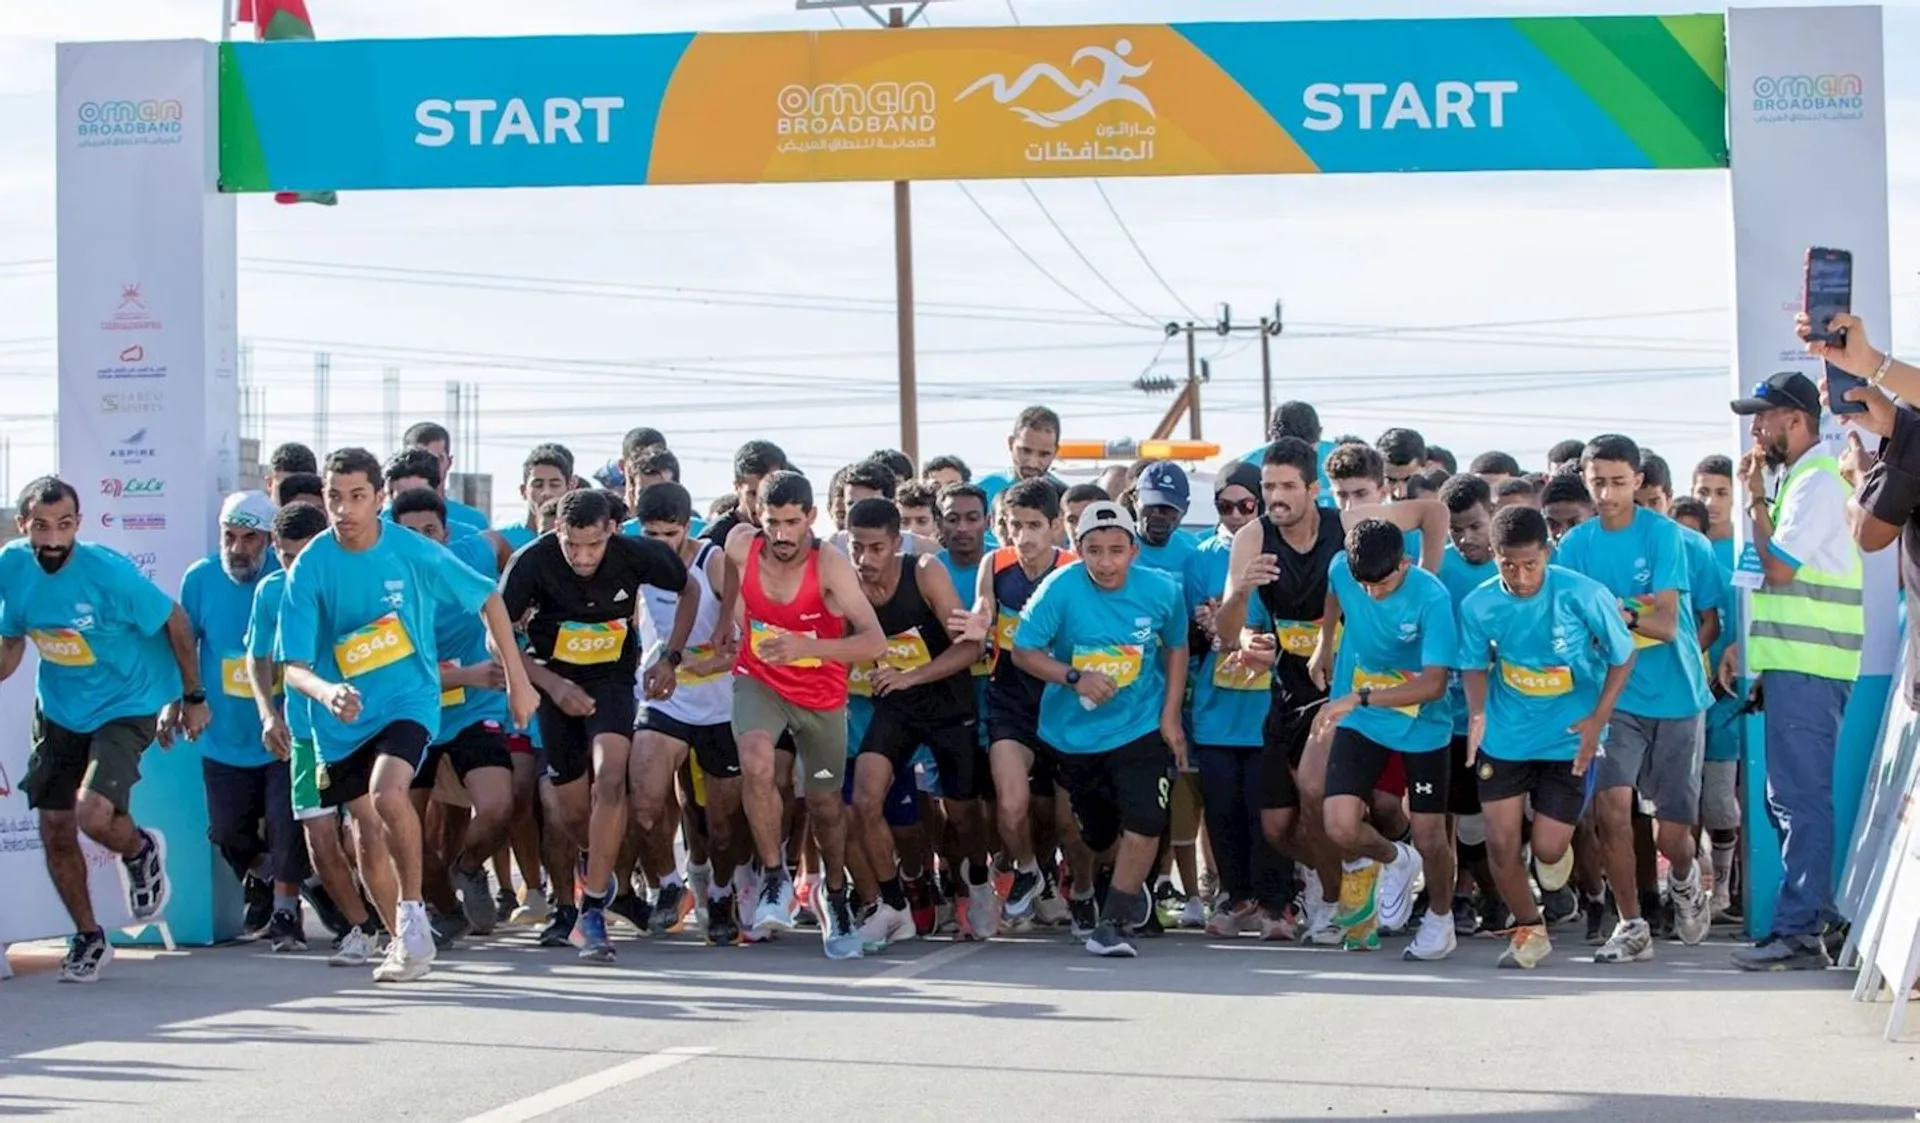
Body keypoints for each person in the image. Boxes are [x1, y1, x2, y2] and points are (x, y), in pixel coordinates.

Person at [278, 448, 537, 983]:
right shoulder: (311, 566)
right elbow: (294, 668)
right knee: (367, 833)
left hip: (409, 699)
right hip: (341, 717)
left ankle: (414, 915)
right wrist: (326, 693)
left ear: (378, 498)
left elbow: (488, 596)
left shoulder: (411, 551)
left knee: (388, 792)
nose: (345, 510)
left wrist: (517, 681)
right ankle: (402, 942)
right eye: (335, 498)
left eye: (357, 497)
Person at [0, 476, 205, 982]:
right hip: (60, 709)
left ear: (78, 525)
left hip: (126, 701)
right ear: (22, 524)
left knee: (92, 813)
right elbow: (12, 642)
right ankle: (88, 935)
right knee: (54, 827)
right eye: (41, 528)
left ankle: (138, 849)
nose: (52, 540)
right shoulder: (10, 566)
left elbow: (175, 620)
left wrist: (193, 696)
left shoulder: (107, 574)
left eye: (64, 526)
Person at [500, 486, 696, 962]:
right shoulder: (532, 562)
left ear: (611, 530)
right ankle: (604, 871)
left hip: (611, 683)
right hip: (554, 683)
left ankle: (591, 909)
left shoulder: (637, 553)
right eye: (572, 545)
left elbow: (689, 588)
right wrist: (547, 683)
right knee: (570, 809)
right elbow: (498, 635)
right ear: (556, 532)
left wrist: (671, 656)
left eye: (594, 545)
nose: (583, 557)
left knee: (611, 778)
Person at [1557, 434, 1714, 962]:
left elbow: (1667, 625)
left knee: (1673, 838)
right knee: (1611, 810)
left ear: (1639, 482)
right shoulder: (1576, 545)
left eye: (1618, 482)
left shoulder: (1664, 536)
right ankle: (1631, 924)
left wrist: (1616, 616)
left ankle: (1687, 881)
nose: (1606, 492)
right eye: (1597, 481)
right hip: (1614, 699)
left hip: (1676, 696)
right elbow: (1574, 624)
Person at [1457, 506, 1636, 969]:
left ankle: (1554, 862)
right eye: (1508, 564)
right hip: (1507, 735)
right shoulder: (1478, 604)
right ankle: (1529, 929)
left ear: (1547, 554)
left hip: (1568, 737)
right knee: (1499, 842)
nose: (1519, 576)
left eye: (1530, 564)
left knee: (1549, 850)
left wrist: (1599, 717)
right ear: (1494, 556)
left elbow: (1623, 655)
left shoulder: (1583, 594)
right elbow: (1474, 664)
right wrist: (1478, 713)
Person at [1726, 370, 1862, 970]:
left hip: (1811, 669)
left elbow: (1778, 571)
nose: (1756, 428)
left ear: (1797, 419)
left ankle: (1803, 927)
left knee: (1798, 800)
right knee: (1787, 800)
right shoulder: (1798, 482)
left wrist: (1752, 498)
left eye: (1764, 415)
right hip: (1794, 668)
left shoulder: (1815, 482)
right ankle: (1809, 919)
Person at [721, 470, 887, 958]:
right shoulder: (738, 544)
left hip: (820, 696)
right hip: (761, 680)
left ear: (811, 518)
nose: (782, 535)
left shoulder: (830, 565)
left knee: (825, 805)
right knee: (755, 760)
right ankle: (775, 876)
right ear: (758, 517)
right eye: (772, 522)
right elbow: (729, 580)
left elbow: (874, 641)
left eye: (793, 522)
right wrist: (725, 620)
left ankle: (834, 896)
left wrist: (806, 645)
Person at [1012, 501, 1189, 958]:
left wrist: (1170, 714)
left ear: (1134, 550)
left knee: (1147, 820)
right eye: (1093, 551)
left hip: (1140, 725)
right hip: (1074, 736)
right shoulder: (1060, 589)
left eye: (1115, 550)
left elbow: (1176, 646)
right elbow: (1023, 650)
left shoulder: (1162, 590)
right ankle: (1117, 879)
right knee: (1094, 835)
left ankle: (1111, 923)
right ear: (1078, 549)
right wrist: (1075, 677)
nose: (1105, 562)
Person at [1307, 518, 1457, 958]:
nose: (1373, 592)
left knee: (1431, 837)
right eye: (1364, 584)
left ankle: (1440, 921)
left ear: (1405, 563)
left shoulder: (1432, 596)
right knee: (1339, 825)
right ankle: (1395, 859)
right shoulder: (1342, 568)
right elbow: (1334, 593)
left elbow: (1433, 684)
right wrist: (1325, 641)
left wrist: (1361, 697)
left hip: (1422, 723)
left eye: (1384, 582)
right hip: (1362, 716)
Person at [844, 497, 985, 948]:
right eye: (856, 547)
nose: (865, 560)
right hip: (895, 704)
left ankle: (977, 884)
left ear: (895, 543)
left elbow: (971, 647)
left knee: (961, 813)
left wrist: (913, 676)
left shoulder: (925, 570)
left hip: (947, 704)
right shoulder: (847, 583)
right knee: (864, 799)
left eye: (876, 549)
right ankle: (893, 906)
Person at [250, 500, 383, 967]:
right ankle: (359, 929)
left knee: (367, 830)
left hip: (363, 727)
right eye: (286, 556)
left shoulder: (354, 578)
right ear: (275, 550)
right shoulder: (270, 593)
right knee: (318, 835)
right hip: (307, 735)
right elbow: (257, 657)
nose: (296, 565)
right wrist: (270, 714)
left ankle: (397, 918)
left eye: (304, 553)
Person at [183, 491, 317, 951]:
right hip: (223, 735)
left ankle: (285, 912)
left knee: (285, 824)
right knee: (225, 832)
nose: (238, 548)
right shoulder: (199, 579)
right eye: (230, 536)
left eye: (250, 539)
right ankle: (289, 876)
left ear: (269, 540)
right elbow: (184, 646)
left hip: (282, 732)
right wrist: (182, 699)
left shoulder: (289, 582)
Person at [390, 487, 522, 939]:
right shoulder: (380, 588)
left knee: (499, 805)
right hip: (411, 713)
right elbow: (391, 678)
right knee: (404, 826)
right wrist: (464, 676)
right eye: (411, 534)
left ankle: (468, 868)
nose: (424, 542)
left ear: (446, 533)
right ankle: (444, 910)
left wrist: (521, 606)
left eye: (431, 532)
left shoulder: (470, 554)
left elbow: (502, 546)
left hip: (473, 713)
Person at [627, 482, 745, 946]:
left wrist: (689, 661)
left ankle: (720, 894)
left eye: (670, 533)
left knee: (720, 824)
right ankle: (669, 888)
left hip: (719, 705)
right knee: (644, 802)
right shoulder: (635, 557)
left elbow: (739, 646)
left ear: (687, 526)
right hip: (663, 701)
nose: (661, 544)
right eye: (651, 534)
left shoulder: (712, 562)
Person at [402, 421, 491, 534]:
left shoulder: (475, 522)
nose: (427, 466)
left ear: (449, 462)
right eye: (418, 459)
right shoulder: (384, 520)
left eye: (436, 459)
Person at [976, 406, 1063, 509]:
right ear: (1011, 443)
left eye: (1044, 454)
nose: (1032, 463)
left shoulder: (1064, 500)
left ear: (1055, 452)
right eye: (1026, 451)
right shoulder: (980, 491)